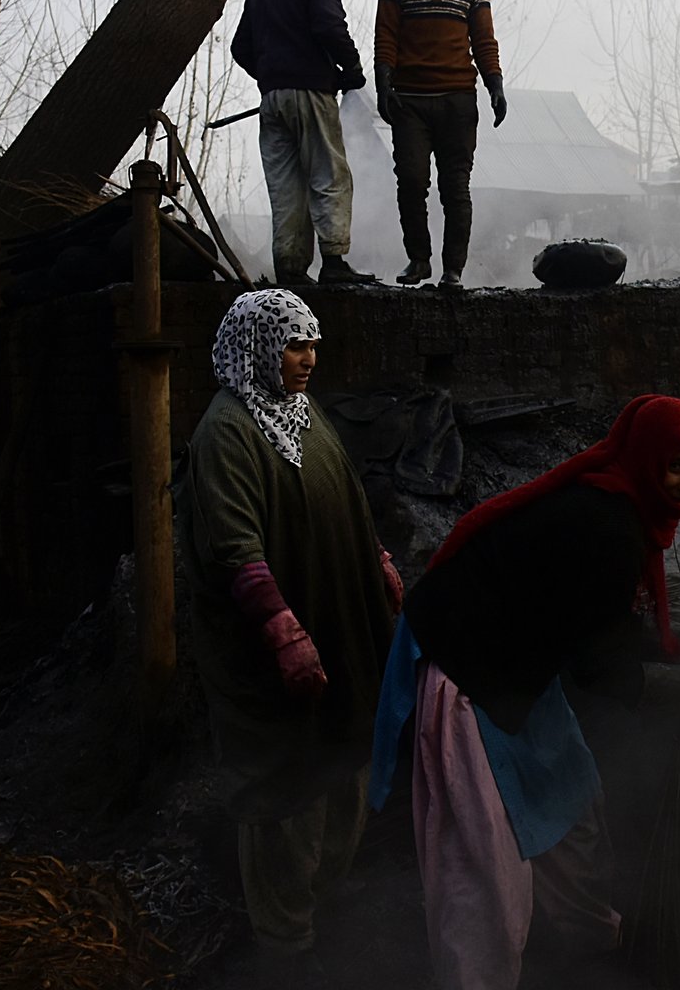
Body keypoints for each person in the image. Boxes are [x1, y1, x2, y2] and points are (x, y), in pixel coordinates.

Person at [368, 395, 680, 990]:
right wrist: (665, 684)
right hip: (468, 670)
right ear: (646, 460)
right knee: (485, 859)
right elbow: (592, 659)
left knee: (571, 803)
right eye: (675, 466)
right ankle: (478, 976)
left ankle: (590, 947)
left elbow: (595, 618)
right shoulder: (610, 526)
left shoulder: (626, 514)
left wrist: (664, 661)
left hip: (521, 668)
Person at [177, 290, 402, 978]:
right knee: (286, 793)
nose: (307, 360)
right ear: (257, 349)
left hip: (337, 632)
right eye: (293, 346)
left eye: (312, 346)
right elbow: (234, 546)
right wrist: (282, 632)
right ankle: (286, 948)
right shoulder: (226, 434)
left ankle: (320, 910)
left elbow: (345, 504)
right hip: (273, 654)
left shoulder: (305, 418)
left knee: (341, 767)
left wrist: (379, 560)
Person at [373, 0, 507, 290]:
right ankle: (418, 259)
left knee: (455, 187)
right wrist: (384, 84)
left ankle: (453, 270)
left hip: (458, 101)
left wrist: (495, 84)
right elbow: (386, 37)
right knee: (412, 181)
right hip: (411, 101)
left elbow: (484, 41)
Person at [233, 0, 377, 286]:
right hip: (312, 93)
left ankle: (291, 270)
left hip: (272, 100)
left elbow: (240, 48)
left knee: (285, 184)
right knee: (329, 173)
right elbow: (329, 27)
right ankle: (334, 262)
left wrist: (272, 74)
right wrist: (353, 67)